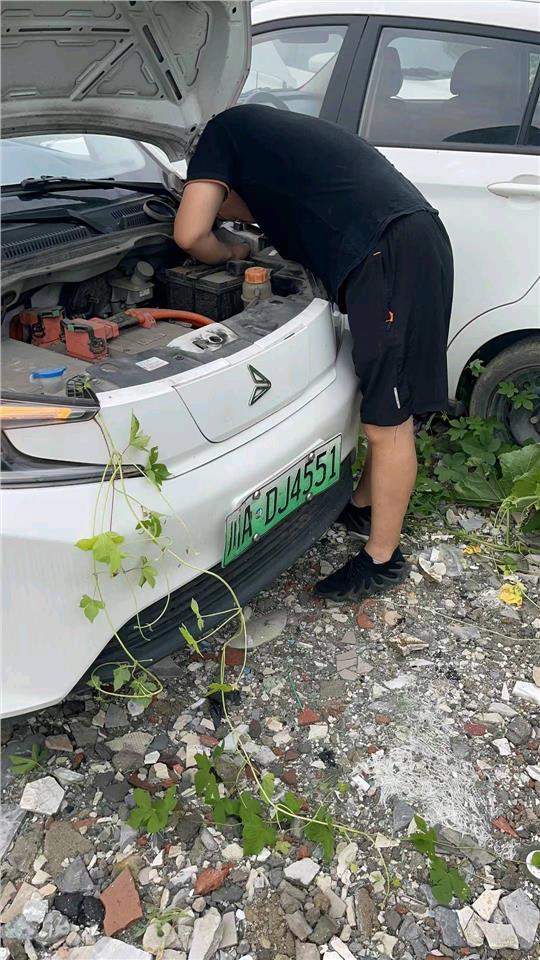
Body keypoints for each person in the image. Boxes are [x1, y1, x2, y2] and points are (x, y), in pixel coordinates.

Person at [174, 104, 453, 600]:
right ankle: (363, 506)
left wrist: (230, 249)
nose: (226, 213)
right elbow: (261, 205)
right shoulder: (263, 138)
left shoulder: (220, 135)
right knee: (380, 394)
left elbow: (189, 233)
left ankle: (382, 559)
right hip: (403, 240)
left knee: (388, 420)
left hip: (389, 252)